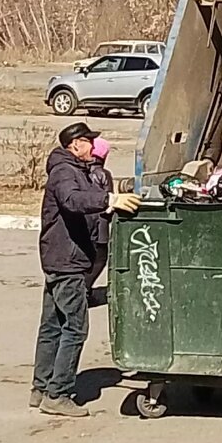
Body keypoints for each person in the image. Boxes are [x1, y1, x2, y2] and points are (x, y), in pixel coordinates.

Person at [31, 122, 141, 417]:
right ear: (76, 144)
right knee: (75, 329)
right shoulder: (65, 172)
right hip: (67, 261)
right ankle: (58, 393)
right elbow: (72, 200)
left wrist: (105, 207)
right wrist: (109, 199)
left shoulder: (70, 169)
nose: (94, 147)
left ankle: (41, 388)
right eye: (89, 142)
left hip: (59, 258)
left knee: (52, 326)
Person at [85, 137, 113, 306]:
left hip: (85, 224)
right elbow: (108, 200)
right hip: (100, 225)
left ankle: (83, 289)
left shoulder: (80, 172)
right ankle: (85, 289)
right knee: (100, 259)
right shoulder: (103, 174)